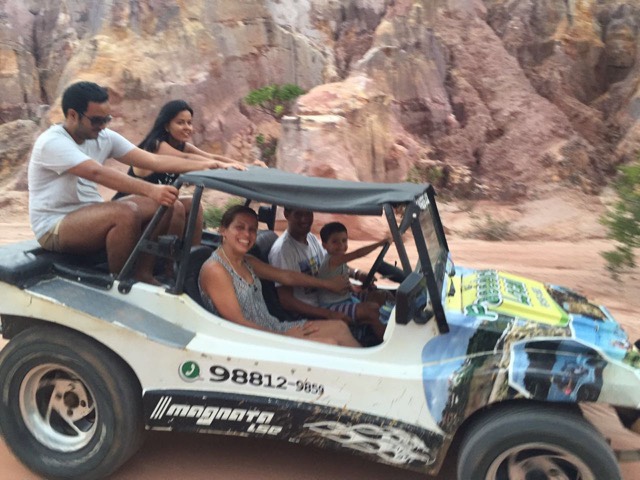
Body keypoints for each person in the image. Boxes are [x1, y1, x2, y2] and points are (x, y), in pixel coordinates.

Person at [28, 81, 229, 284]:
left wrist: (213, 165)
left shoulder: (103, 136)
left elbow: (152, 160)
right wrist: (151, 189)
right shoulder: (52, 142)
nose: (103, 125)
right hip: (55, 225)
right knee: (125, 213)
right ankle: (122, 283)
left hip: (91, 213)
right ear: (72, 115)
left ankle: (151, 273)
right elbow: (96, 173)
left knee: (173, 203)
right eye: (97, 120)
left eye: (106, 119)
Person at [198, 205, 361, 347]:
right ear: (223, 230)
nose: (247, 235)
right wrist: (284, 338)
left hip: (272, 327)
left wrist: (327, 284)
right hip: (251, 341)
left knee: (340, 327)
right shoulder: (216, 269)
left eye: (252, 229)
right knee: (330, 344)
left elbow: (287, 276)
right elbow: (238, 323)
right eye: (240, 227)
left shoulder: (247, 260)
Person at [113, 100, 246, 244]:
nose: (187, 127)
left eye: (189, 122)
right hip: (128, 205)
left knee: (193, 204)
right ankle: (168, 263)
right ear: (166, 126)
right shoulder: (156, 146)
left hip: (156, 205)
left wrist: (243, 165)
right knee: (175, 206)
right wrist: (214, 165)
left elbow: (211, 157)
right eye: (181, 122)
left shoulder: (183, 146)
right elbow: (187, 158)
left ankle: (192, 254)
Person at [268, 208, 370, 322]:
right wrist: (328, 314)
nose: (304, 219)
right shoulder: (283, 251)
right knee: (370, 311)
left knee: (377, 296)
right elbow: (287, 301)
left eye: (307, 213)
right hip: (312, 312)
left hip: (330, 297)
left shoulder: (311, 238)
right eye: (298, 214)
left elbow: (331, 263)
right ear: (286, 214)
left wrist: (356, 274)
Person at [318, 222, 390, 339]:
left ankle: (386, 326)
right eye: (335, 242)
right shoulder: (333, 260)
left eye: (344, 241)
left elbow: (343, 275)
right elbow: (357, 254)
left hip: (345, 297)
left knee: (381, 295)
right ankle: (385, 341)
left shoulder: (339, 261)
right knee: (372, 309)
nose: (341, 245)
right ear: (324, 245)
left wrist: (353, 287)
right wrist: (379, 243)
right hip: (331, 305)